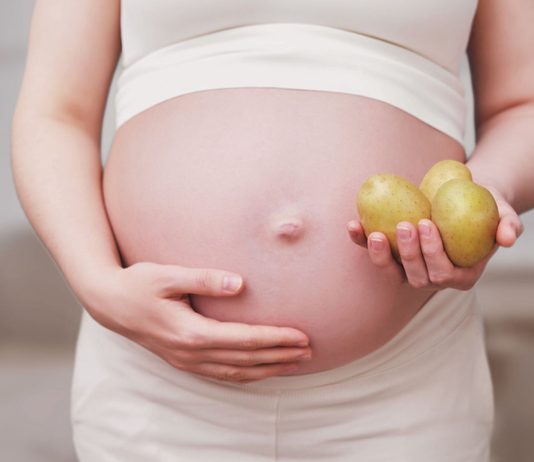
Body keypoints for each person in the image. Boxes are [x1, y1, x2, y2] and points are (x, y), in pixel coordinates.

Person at [11, 0, 533, 460]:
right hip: (158, 386)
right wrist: (98, 285)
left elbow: (523, 105)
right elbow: (57, 112)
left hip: (406, 381)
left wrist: (485, 196)